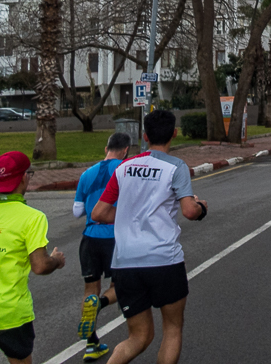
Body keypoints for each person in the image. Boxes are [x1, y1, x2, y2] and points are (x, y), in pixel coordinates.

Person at [92, 109, 207, 364]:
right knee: (172, 329)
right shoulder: (176, 167)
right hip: (164, 260)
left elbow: (99, 212)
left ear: (144, 136)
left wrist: (127, 213)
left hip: (126, 264)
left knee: (138, 337)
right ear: (174, 135)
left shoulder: (123, 166)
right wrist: (202, 208)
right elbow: (189, 210)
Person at [0, 151, 65, 364]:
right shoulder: (32, 218)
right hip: (11, 315)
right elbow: (40, 265)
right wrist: (56, 260)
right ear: (24, 177)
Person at [74, 132, 132, 361]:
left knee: (90, 289)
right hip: (114, 235)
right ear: (126, 150)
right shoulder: (127, 169)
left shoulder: (87, 173)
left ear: (105, 148)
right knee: (121, 285)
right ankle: (100, 304)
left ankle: (91, 345)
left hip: (89, 237)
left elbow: (77, 211)